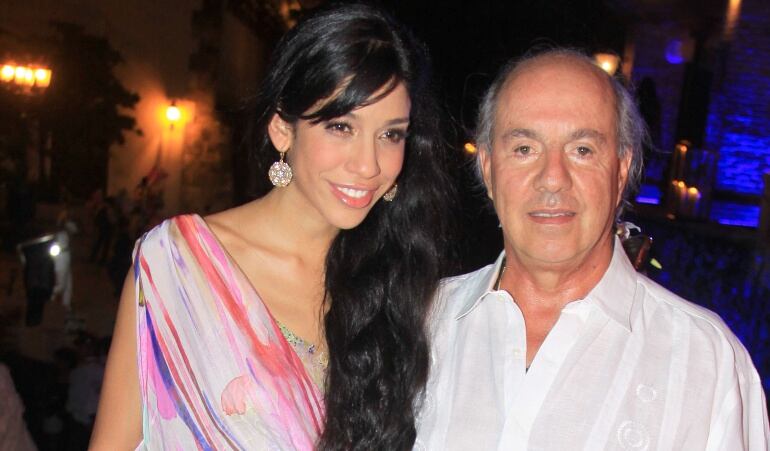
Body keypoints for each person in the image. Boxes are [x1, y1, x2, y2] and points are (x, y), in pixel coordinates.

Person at [91, 4, 455, 450]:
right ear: (283, 129)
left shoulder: (398, 284)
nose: (368, 165)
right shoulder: (179, 265)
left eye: (391, 134)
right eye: (341, 127)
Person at [416, 49, 769, 450]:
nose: (552, 179)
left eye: (582, 150)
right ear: (487, 168)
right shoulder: (418, 324)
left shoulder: (707, 363)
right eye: (524, 149)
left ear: (621, 172)